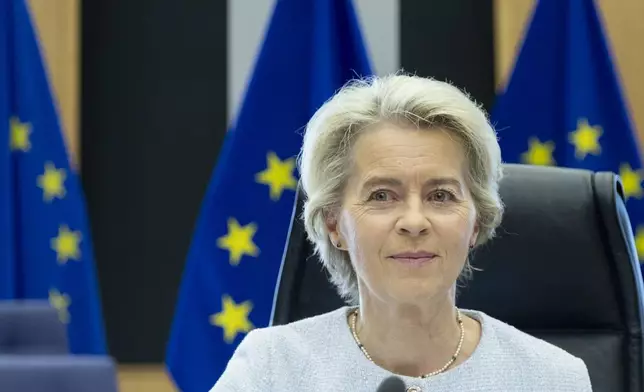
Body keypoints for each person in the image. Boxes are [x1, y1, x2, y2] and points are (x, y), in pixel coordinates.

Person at [210, 74, 593, 392]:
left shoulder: (553, 379)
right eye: (381, 196)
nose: (414, 221)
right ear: (333, 224)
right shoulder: (271, 369)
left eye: (440, 195)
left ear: (476, 222)